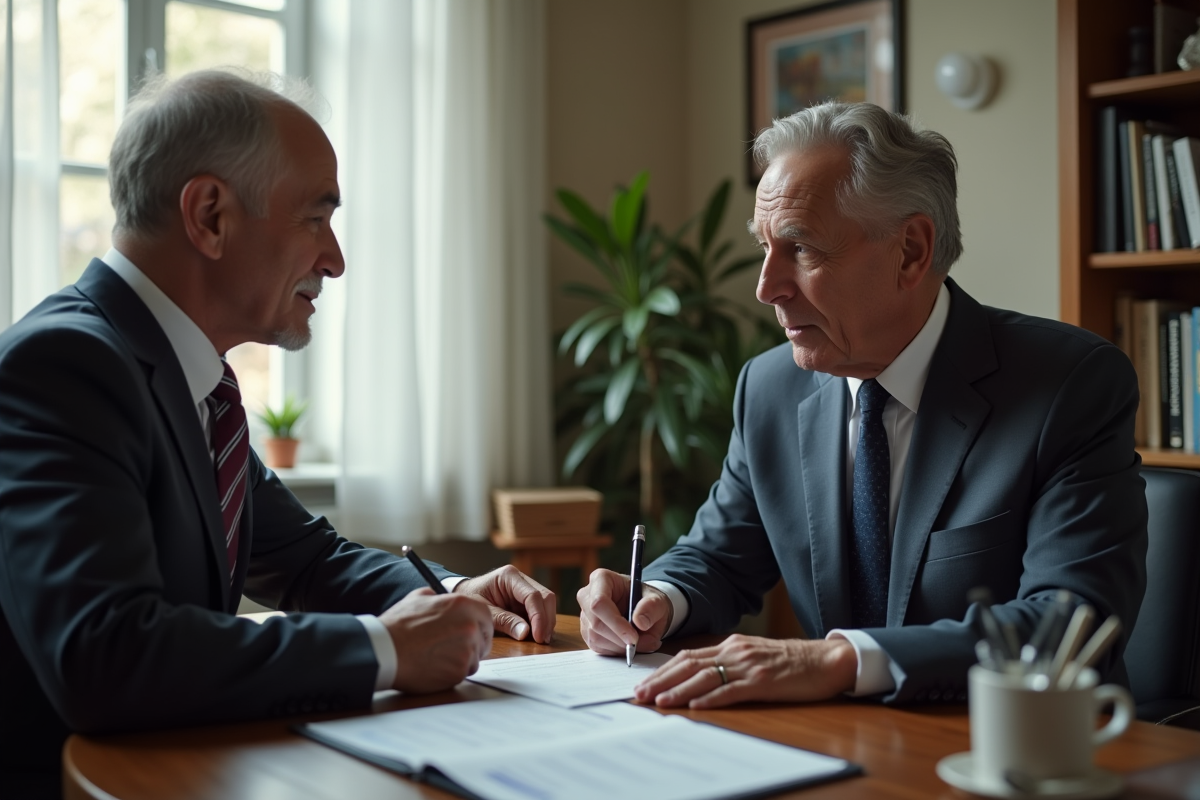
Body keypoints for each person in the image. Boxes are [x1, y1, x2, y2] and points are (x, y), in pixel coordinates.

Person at [0, 70, 555, 796]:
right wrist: (383, 649)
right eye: (315, 217)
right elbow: (104, 655)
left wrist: (454, 590)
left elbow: (305, 560)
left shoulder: (184, 379)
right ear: (209, 215)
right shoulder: (67, 366)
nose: (336, 259)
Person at [578, 101, 1147, 710]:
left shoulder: (1069, 384)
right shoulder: (769, 387)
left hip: (1024, 748)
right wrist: (658, 597)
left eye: (799, 248)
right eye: (763, 248)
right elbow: (720, 555)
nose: (767, 287)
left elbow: (1070, 624)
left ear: (910, 251)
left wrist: (837, 659)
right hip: (848, 747)